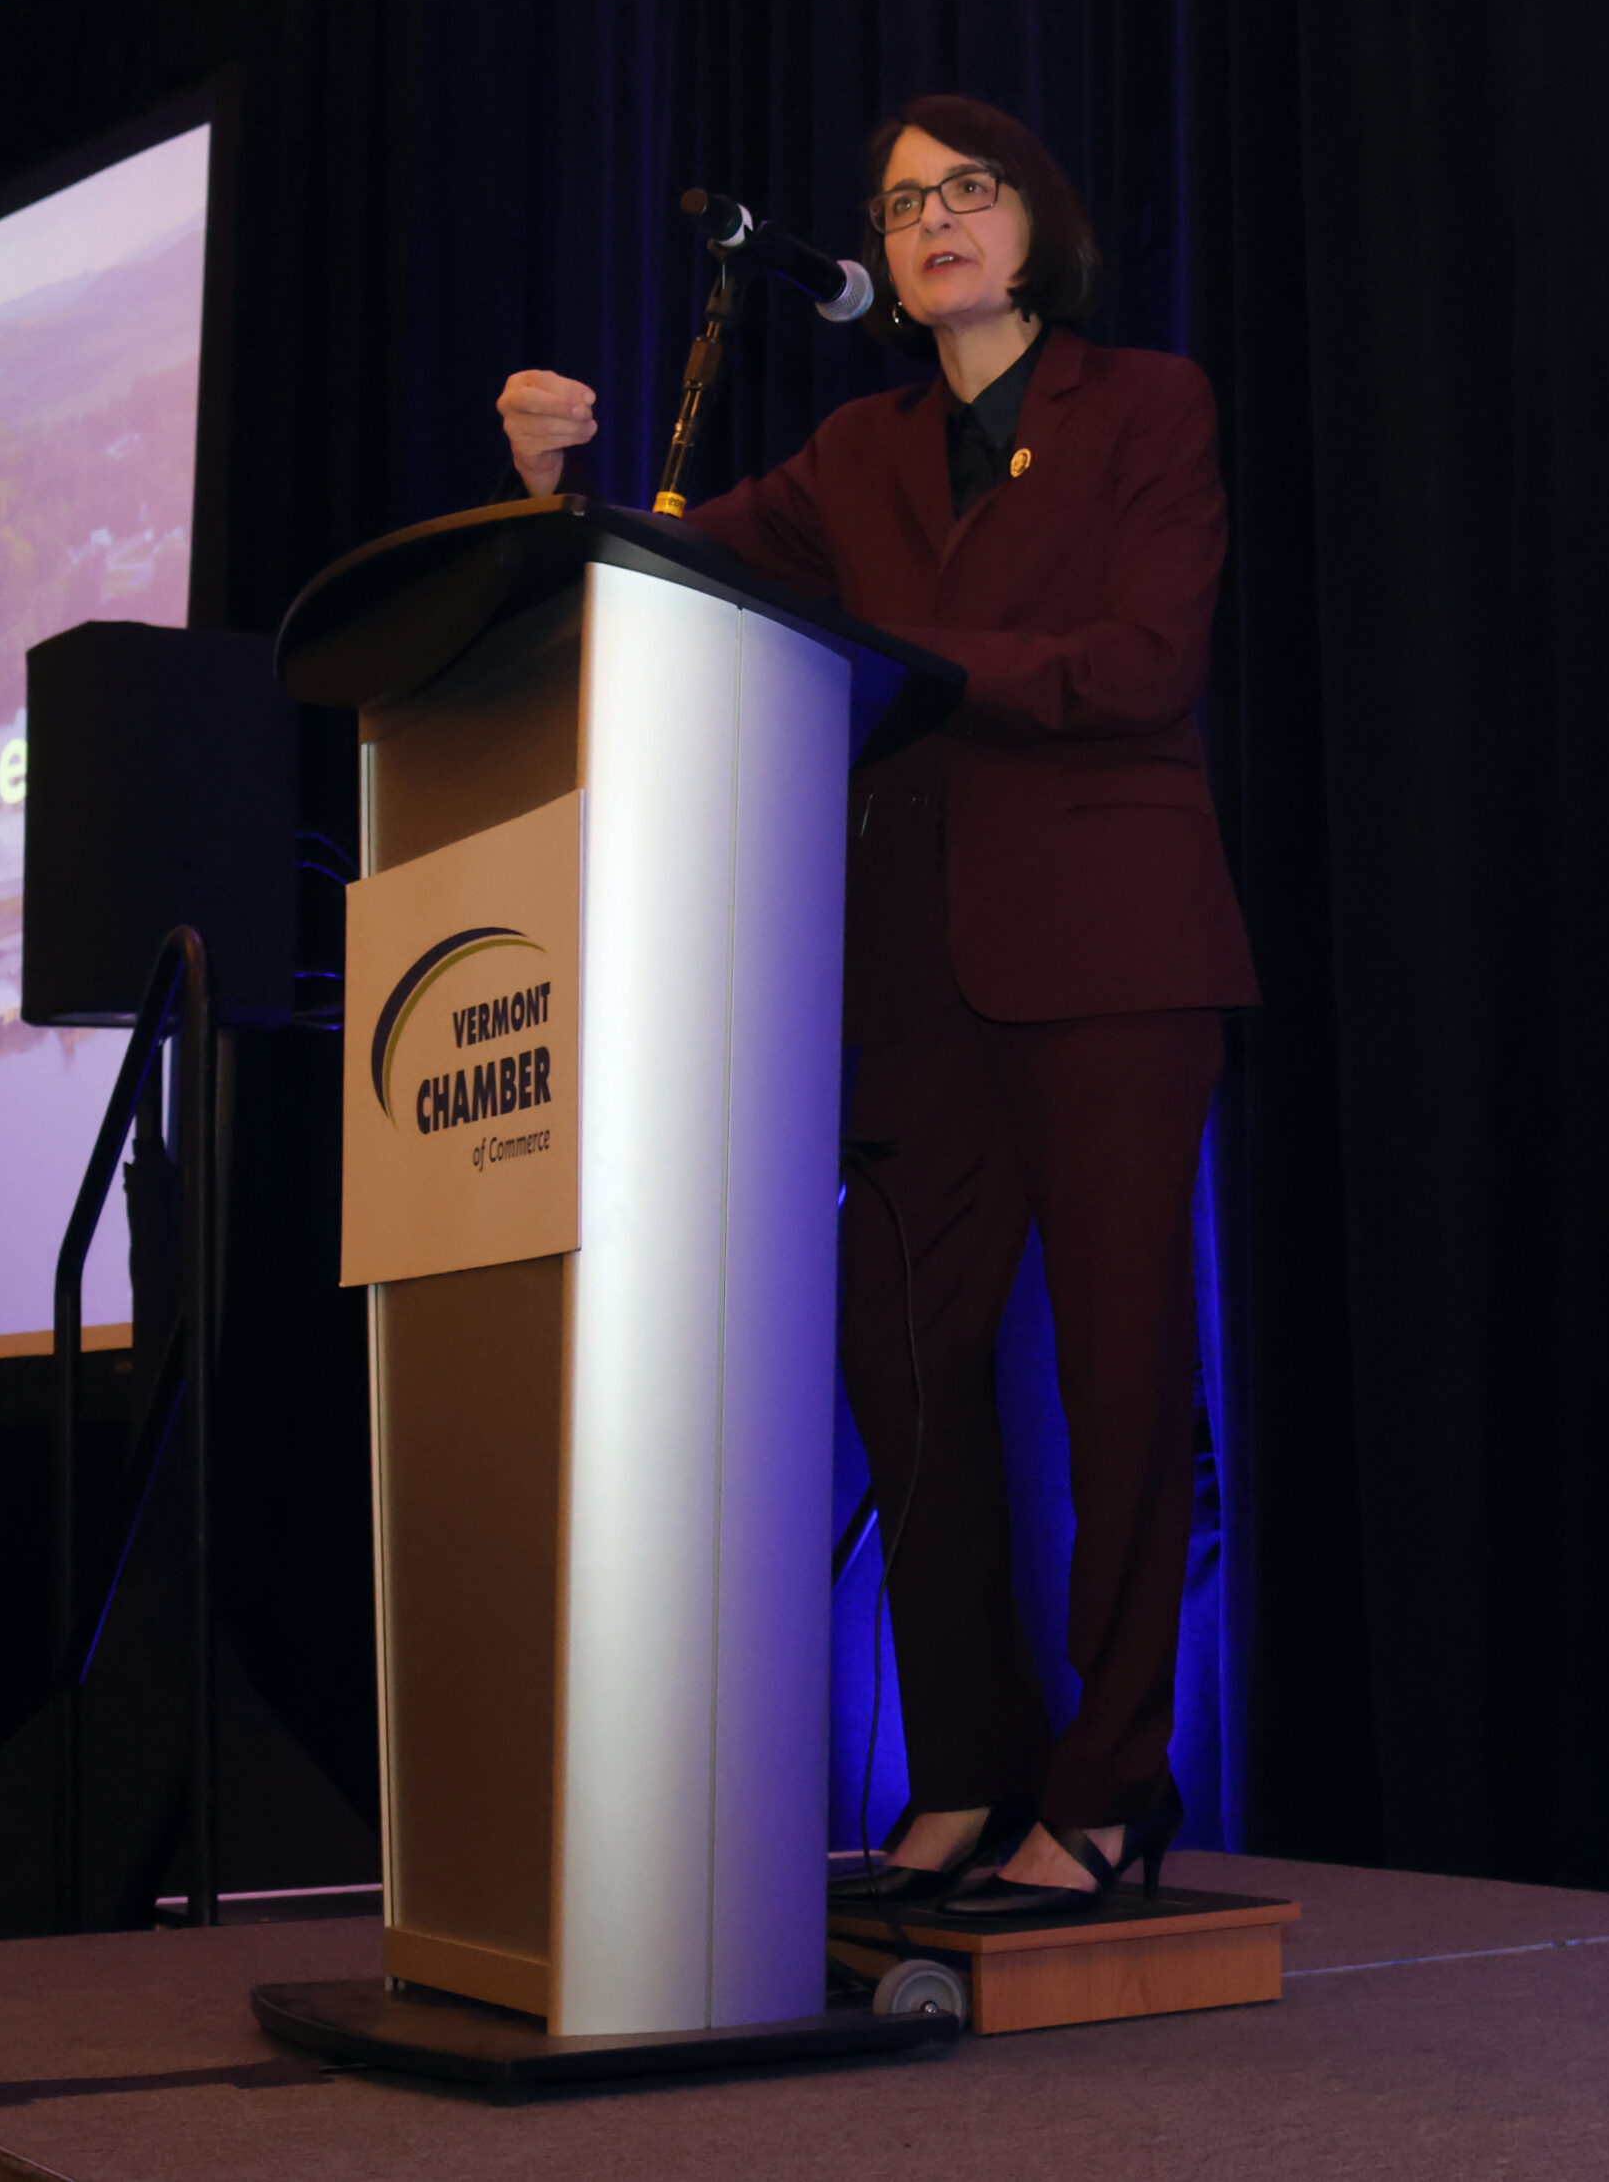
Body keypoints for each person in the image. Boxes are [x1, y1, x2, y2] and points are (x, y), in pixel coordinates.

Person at [497, 95, 1256, 1914]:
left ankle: (1112, 1782)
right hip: (912, 970)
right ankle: (970, 1768)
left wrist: (911, 660)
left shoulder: (1149, 406)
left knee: (1122, 1375)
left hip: (1114, 953)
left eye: (967, 190)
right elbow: (680, 571)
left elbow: (1144, 661)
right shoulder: (856, 451)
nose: (933, 222)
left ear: (1034, 219)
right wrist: (544, 488)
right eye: (903, 203)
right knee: (896, 1354)